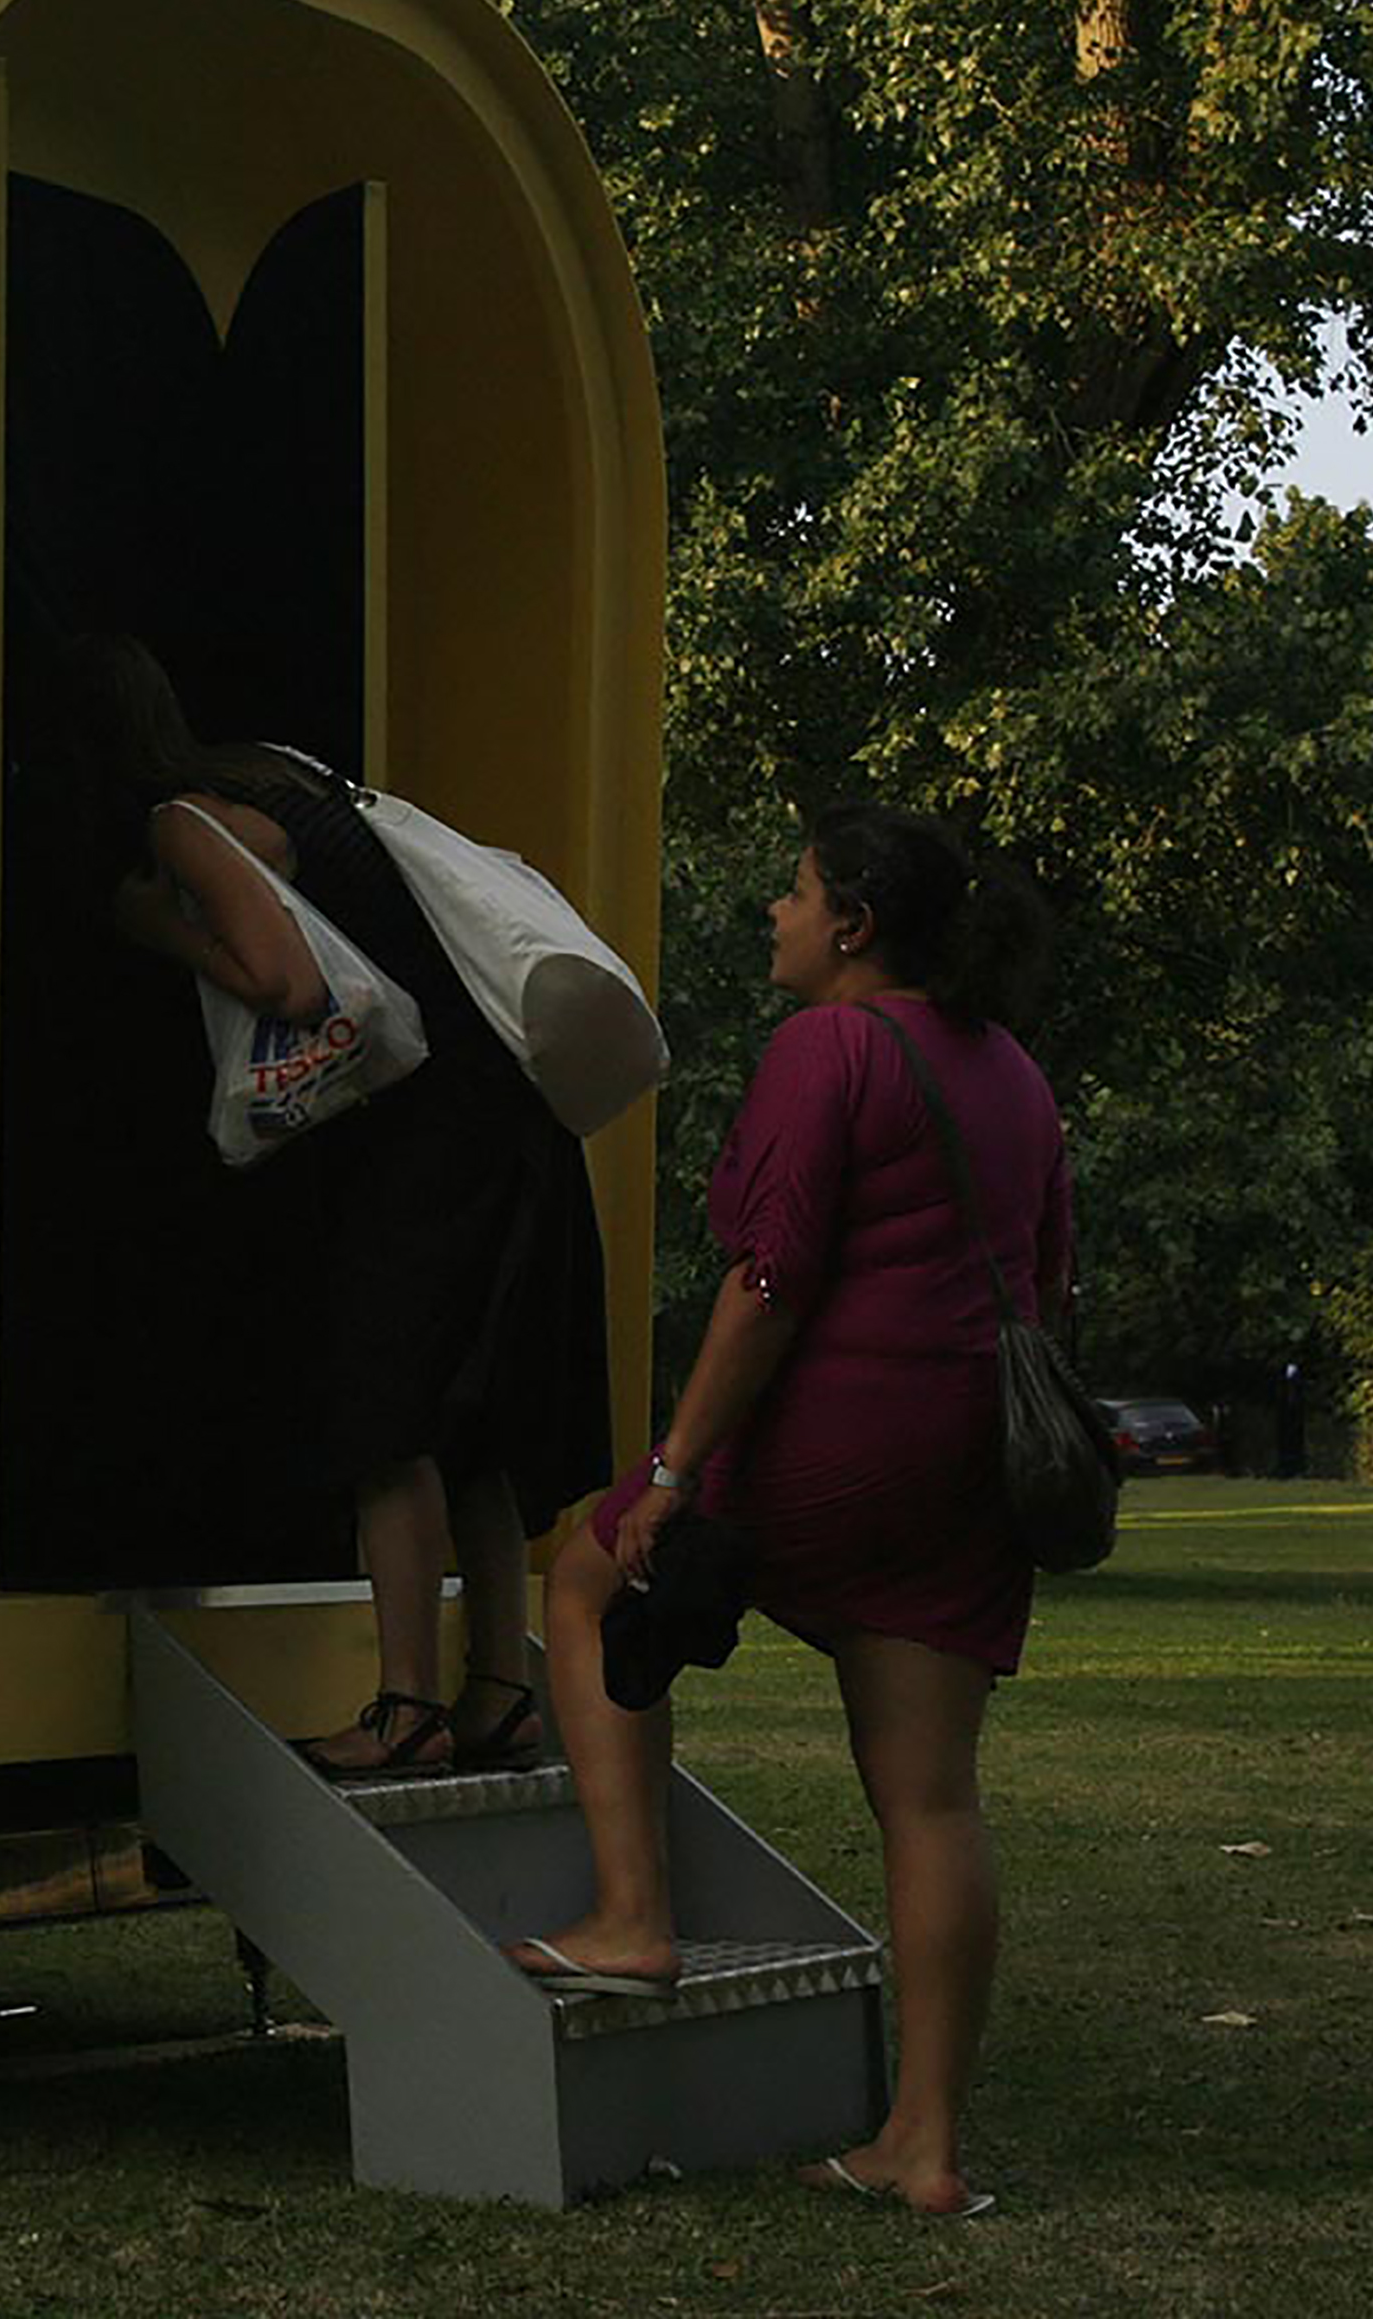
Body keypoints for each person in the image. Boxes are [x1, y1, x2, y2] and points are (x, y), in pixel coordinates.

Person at [509, 805, 1064, 2222]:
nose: (776, 909)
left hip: (832, 1433)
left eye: (796, 890)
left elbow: (771, 1276)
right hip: (966, 1462)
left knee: (582, 1580)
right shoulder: (1011, 1072)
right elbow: (1046, 1275)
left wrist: (682, 1463)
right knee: (930, 1796)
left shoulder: (831, 1045)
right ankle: (923, 2146)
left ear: (855, 924)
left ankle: (633, 1918)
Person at [57, 636, 610, 1774]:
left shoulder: (181, 823)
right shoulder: (281, 771)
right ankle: (498, 1695)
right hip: (508, 1114)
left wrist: (158, 928)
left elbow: (290, 983)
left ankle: (402, 1709)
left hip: (420, 1134)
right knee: (473, 1427)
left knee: (382, 1416)